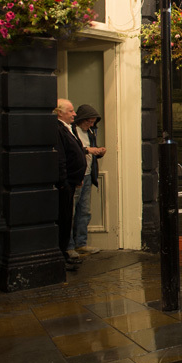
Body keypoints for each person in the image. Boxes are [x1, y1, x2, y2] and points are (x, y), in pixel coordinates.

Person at [53, 98, 86, 270]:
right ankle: (60, 255)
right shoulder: (58, 129)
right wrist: (64, 181)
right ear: (60, 112)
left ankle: (64, 253)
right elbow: (61, 158)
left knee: (67, 218)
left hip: (72, 181)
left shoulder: (69, 128)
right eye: (71, 111)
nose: (74, 114)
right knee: (63, 218)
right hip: (65, 184)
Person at [70, 104, 105, 255]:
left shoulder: (91, 132)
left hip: (88, 174)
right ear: (81, 119)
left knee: (84, 211)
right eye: (88, 121)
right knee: (71, 211)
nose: (90, 125)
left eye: (93, 122)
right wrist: (87, 150)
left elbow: (90, 150)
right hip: (76, 176)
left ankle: (81, 243)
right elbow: (74, 150)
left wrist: (99, 152)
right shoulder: (71, 131)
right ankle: (69, 245)